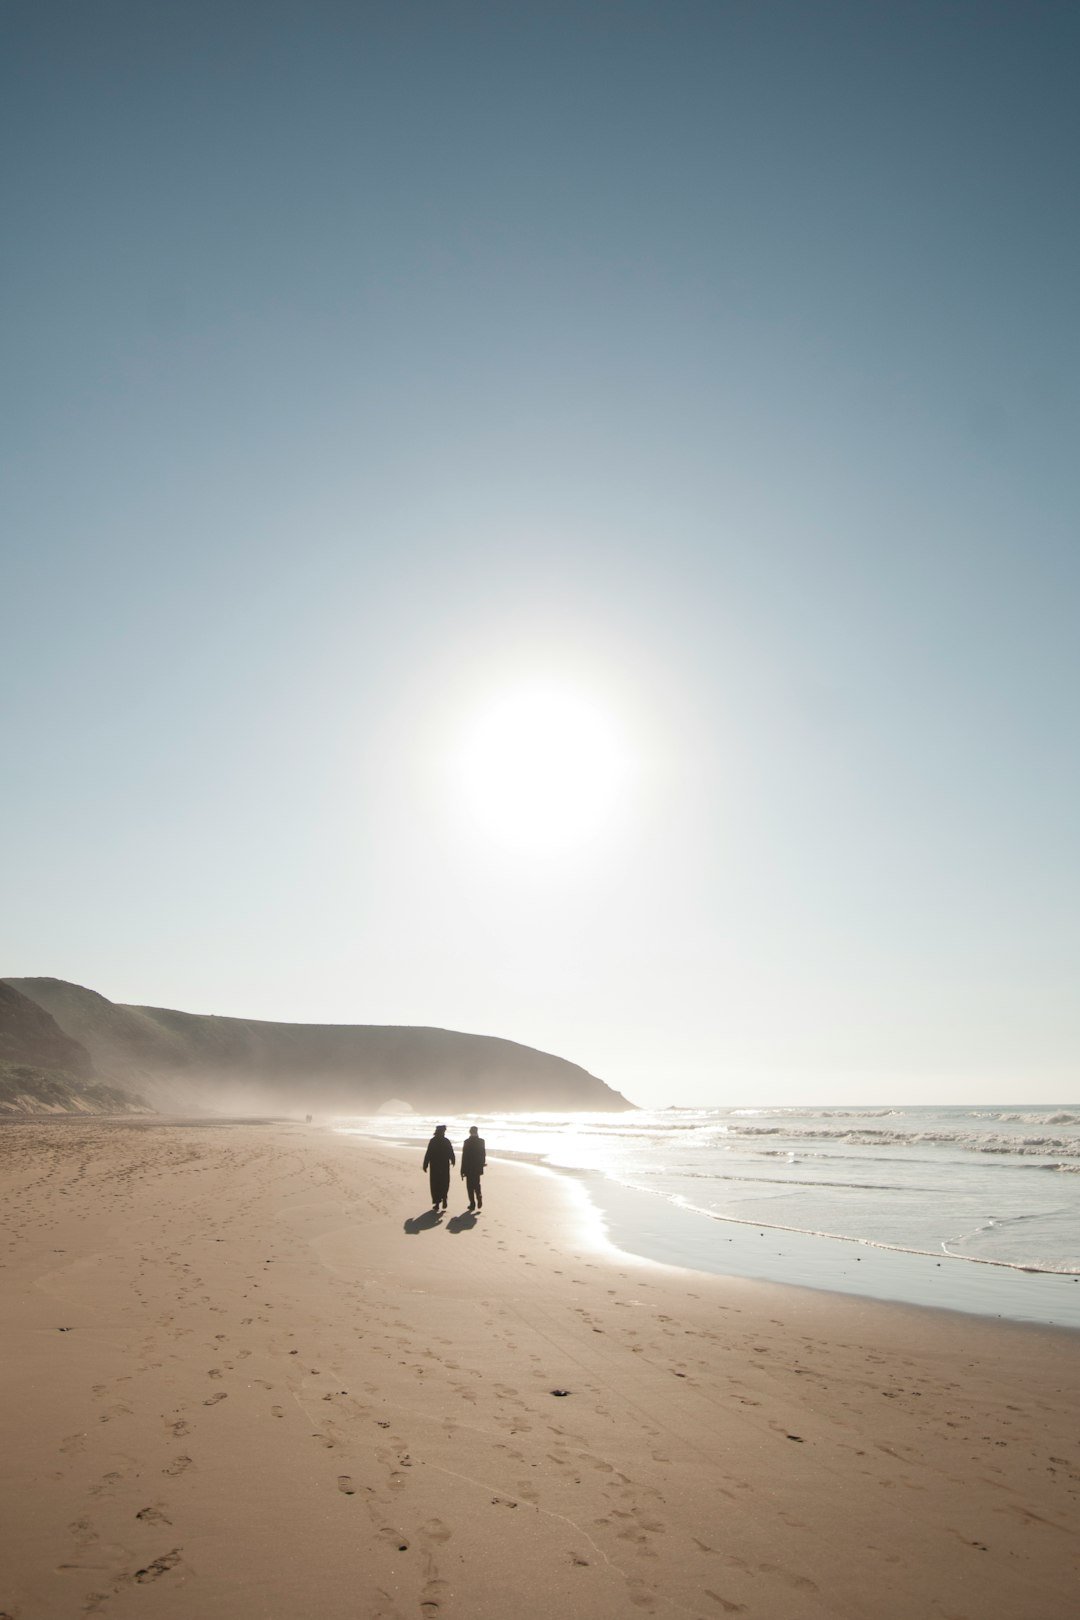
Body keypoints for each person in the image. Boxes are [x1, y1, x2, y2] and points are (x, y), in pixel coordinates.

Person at [422, 1124, 455, 1210]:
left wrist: (425, 1164)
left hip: (435, 1165)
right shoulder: (446, 1141)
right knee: (445, 1182)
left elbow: (428, 1153)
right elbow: (451, 1152)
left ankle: (437, 1203)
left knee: (435, 1184)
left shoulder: (433, 1141)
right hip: (444, 1165)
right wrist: (453, 1160)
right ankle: (444, 1198)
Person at [460, 1125, 486, 1211]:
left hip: (468, 1167)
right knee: (477, 1184)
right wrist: (482, 1164)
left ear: (470, 1132)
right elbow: (483, 1154)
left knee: (469, 1186)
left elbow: (464, 1157)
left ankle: (472, 1203)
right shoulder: (481, 1141)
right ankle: (479, 1197)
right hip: (477, 1167)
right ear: (477, 1132)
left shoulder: (467, 1142)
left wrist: (462, 1170)